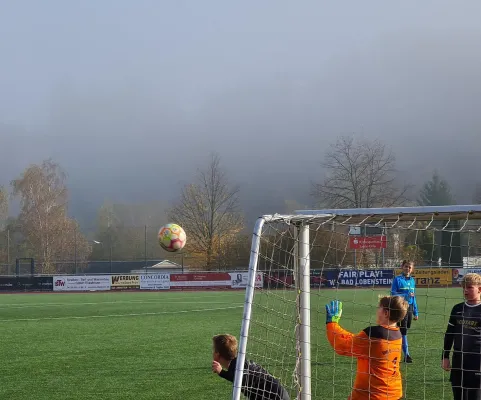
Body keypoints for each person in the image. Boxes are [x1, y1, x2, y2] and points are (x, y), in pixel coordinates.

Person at [325, 296, 408, 400]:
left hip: (373, 395)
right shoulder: (397, 334)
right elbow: (356, 341)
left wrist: (331, 324)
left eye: (379, 308)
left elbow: (343, 346)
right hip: (394, 393)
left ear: (386, 313)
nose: (377, 311)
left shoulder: (373, 334)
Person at [211, 334, 290, 400]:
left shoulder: (239, 367)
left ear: (217, 354)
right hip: (279, 393)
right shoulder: (239, 362)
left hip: (274, 396)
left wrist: (221, 372)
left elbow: (240, 379)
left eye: (213, 349)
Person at [442, 272, 481, 400]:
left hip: (477, 361)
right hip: (458, 360)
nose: (465, 290)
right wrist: (445, 356)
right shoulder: (457, 309)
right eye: (464, 287)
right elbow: (449, 334)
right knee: (458, 396)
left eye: (470, 287)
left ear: (479, 289)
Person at [390, 260, 419, 363]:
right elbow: (393, 293)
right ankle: (407, 355)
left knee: (402, 330)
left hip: (409, 307)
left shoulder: (412, 281)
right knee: (403, 331)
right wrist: (405, 296)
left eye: (409, 267)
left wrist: (416, 311)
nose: (408, 269)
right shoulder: (397, 279)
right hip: (400, 307)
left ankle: (394, 349)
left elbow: (413, 297)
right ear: (402, 267)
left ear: (412, 269)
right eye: (406, 266)